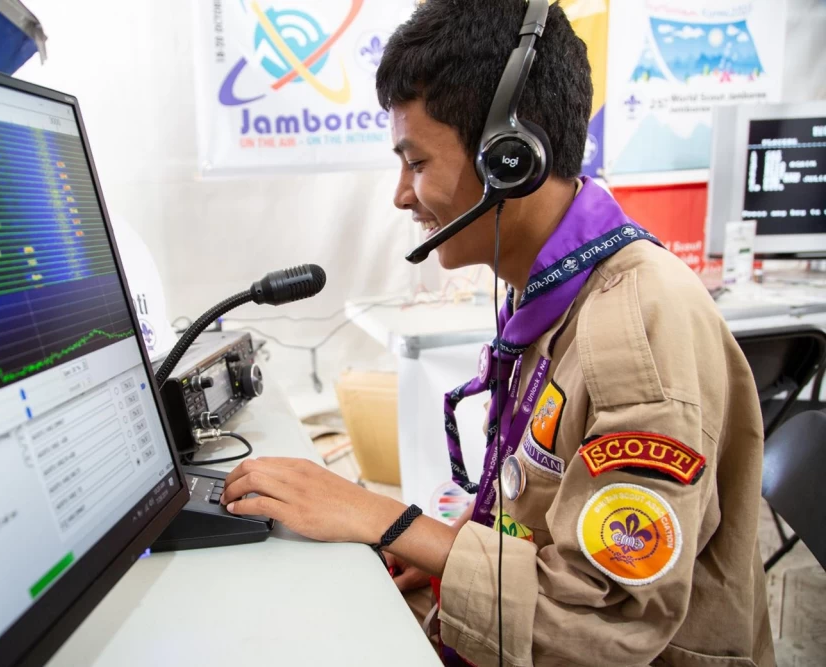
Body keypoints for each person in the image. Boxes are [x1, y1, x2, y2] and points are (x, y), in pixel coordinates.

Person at [219, 1, 774, 664]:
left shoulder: (636, 331)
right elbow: (541, 512)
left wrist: (387, 519)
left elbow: (598, 622)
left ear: (508, 160)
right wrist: (442, 551)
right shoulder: (547, 289)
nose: (401, 194)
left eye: (415, 162)